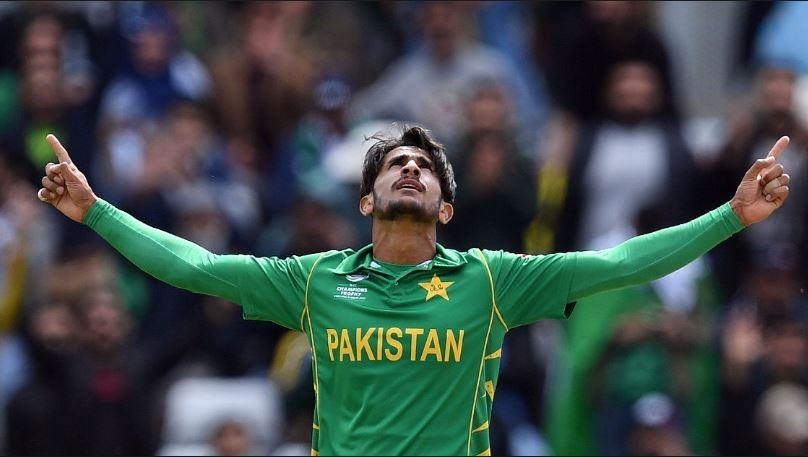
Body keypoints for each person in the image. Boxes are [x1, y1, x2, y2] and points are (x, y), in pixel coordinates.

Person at [36, 126, 790, 456]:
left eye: (424, 167)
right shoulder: (316, 279)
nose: (410, 169)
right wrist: (95, 211)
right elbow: (195, 266)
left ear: (445, 208)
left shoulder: (492, 279)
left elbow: (621, 261)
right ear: (367, 201)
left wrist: (731, 216)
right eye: (396, 163)